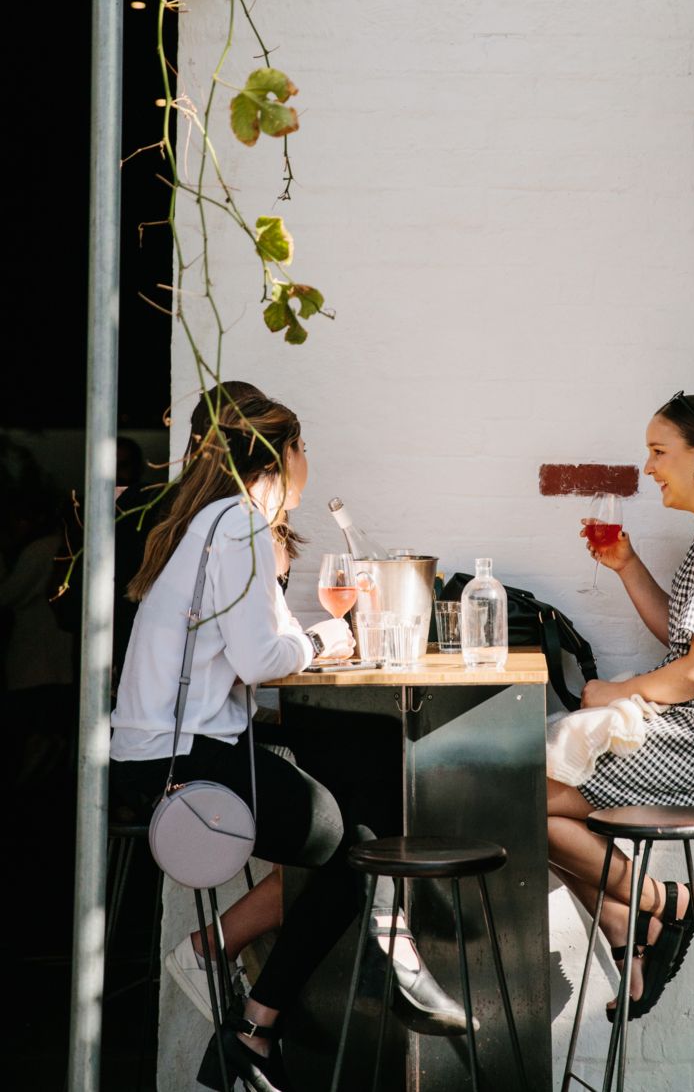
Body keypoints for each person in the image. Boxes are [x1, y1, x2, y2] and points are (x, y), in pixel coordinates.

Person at [110, 392, 466, 1092]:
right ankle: (258, 1010)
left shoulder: (215, 521)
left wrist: (310, 641)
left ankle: (300, 999)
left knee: (366, 749)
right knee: (353, 844)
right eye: (304, 451)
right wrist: (335, 634)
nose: (309, 465)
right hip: (180, 764)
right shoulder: (239, 522)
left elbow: (254, 654)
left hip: (168, 747)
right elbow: (263, 660)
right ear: (283, 456)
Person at [547, 392, 694, 1019]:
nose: (649, 468)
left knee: (517, 798)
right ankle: (636, 920)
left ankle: (662, 904)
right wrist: (627, 566)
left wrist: (616, 692)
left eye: (659, 452)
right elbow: (687, 643)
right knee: (519, 798)